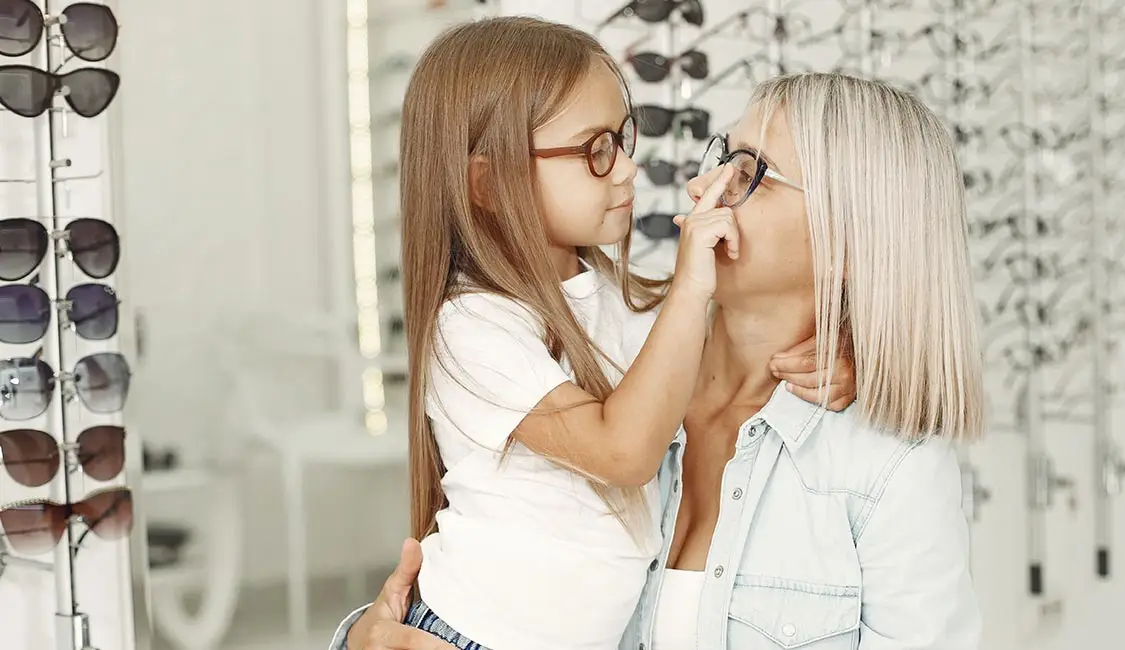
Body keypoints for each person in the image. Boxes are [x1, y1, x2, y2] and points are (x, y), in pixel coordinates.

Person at [338, 69, 986, 650]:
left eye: (749, 174)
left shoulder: (893, 467)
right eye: (721, 158)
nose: (702, 186)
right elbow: (510, 575)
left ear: (851, 237)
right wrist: (363, 639)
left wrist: (862, 348)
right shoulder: (623, 366)